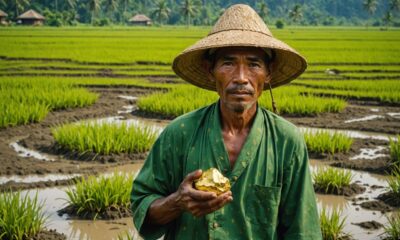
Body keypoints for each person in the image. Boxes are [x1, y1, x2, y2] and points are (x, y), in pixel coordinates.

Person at [131, 4, 322, 240]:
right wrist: (178, 201)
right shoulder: (180, 133)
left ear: (268, 72)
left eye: (253, 64)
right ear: (210, 70)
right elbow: (142, 206)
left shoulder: (286, 141)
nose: (241, 78)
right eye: (228, 63)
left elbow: (302, 231)